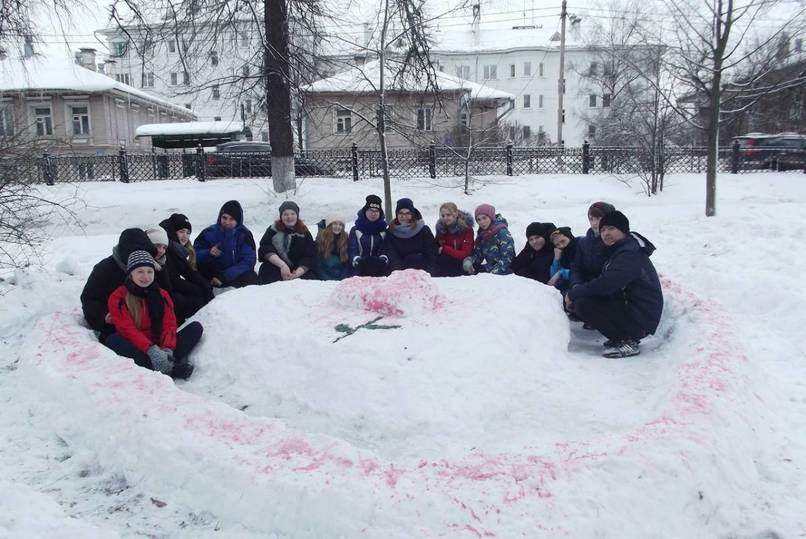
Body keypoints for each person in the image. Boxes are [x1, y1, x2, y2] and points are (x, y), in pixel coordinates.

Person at [565, 211, 663, 358]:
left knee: (583, 303)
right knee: (584, 299)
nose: (605, 233)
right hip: (634, 308)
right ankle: (624, 336)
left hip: (641, 317)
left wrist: (573, 293)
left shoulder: (629, 253)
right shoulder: (620, 249)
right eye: (603, 229)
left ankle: (627, 341)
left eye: (611, 228)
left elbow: (606, 284)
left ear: (623, 230)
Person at [105, 250, 203, 379]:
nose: (146, 277)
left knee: (195, 328)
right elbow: (127, 330)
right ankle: (170, 368)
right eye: (140, 271)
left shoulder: (162, 295)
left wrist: (167, 348)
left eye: (149, 271)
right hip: (138, 346)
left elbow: (169, 324)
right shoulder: (118, 297)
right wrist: (151, 350)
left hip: (160, 343)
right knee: (113, 340)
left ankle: (163, 363)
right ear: (130, 273)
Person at [81, 228, 156, 344]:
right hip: (115, 325)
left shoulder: (149, 268)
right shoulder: (104, 268)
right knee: (117, 341)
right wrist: (102, 316)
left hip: (144, 325)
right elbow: (89, 298)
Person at [157, 215, 213, 321]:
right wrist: (199, 290)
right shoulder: (166, 248)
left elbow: (188, 271)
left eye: (188, 232)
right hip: (161, 293)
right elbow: (174, 281)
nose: (185, 236)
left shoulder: (177, 248)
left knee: (199, 298)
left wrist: (206, 286)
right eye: (181, 231)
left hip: (170, 289)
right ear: (173, 231)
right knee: (194, 301)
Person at [194, 200, 258, 288]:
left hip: (235, 274)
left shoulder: (244, 234)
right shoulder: (209, 232)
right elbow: (194, 255)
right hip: (213, 274)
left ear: (238, 220)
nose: (227, 222)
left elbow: (249, 261)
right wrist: (209, 253)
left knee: (251, 278)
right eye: (224, 218)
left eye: (231, 219)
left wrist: (224, 276)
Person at [258, 201, 317, 284]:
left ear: (297, 215)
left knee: (310, 281)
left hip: (298, 269)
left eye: (293, 214)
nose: (289, 217)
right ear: (281, 216)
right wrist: (282, 266)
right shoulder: (273, 230)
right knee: (267, 275)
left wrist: (298, 273)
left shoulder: (304, 231)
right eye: (286, 214)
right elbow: (265, 248)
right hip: (276, 266)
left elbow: (310, 254)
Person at [383, 198, 439, 274]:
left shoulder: (423, 230)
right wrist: (398, 274)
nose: (404, 216)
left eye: (407, 213)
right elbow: (392, 254)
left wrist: (430, 273)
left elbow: (431, 253)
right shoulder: (391, 232)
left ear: (412, 214)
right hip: (399, 272)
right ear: (397, 214)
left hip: (421, 272)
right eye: (401, 213)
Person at [570, 201, 616, 289]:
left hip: (605, 290)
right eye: (591, 219)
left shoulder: (615, 242)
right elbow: (576, 268)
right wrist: (576, 284)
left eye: (599, 218)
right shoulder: (583, 243)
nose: (594, 223)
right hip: (584, 287)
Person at [463, 203, 515, 275]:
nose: (482, 222)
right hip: (490, 268)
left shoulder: (502, 232)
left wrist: (492, 275)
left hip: (505, 270)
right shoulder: (482, 234)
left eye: (484, 218)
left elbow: (508, 258)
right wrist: (469, 261)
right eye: (478, 219)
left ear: (491, 217)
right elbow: (478, 256)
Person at [348, 194, 390, 277]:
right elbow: (352, 250)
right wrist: (358, 260)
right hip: (359, 267)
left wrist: (383, 259)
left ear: (380, 213)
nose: (373, 214)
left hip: (379, 267)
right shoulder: (356, 229)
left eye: (376, 211)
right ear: (365, 211)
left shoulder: (385, 230)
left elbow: (386, 249)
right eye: (370, 210)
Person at [434, 202, 474, 277]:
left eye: (448, 215)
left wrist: (445, 249)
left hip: (462, 262)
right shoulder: (441, 229)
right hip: (446, 263)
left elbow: (465, 254)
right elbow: (436, 248)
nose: (445, 218)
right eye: (443, 216)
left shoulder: (466, 229)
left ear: (455, 214)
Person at [315, 217, 350, 281]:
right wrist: (326, 279)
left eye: (340, 225)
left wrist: (343, 278)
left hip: (340, 276)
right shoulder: (321, 239)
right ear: (329, 225)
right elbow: (317, 263)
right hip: (324, 276)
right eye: (335, 224)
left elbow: (346, 262)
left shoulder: (345, 239)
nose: (338, 227)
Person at [547, 226, 577, 291]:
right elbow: (553, 279)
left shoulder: (580, 247)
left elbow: (581, 273)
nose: (561, 246)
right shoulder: (563, 255)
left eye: (563, 241)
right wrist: (556, 260)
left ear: (569, 237)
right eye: (557, 244)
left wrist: (561, 273)